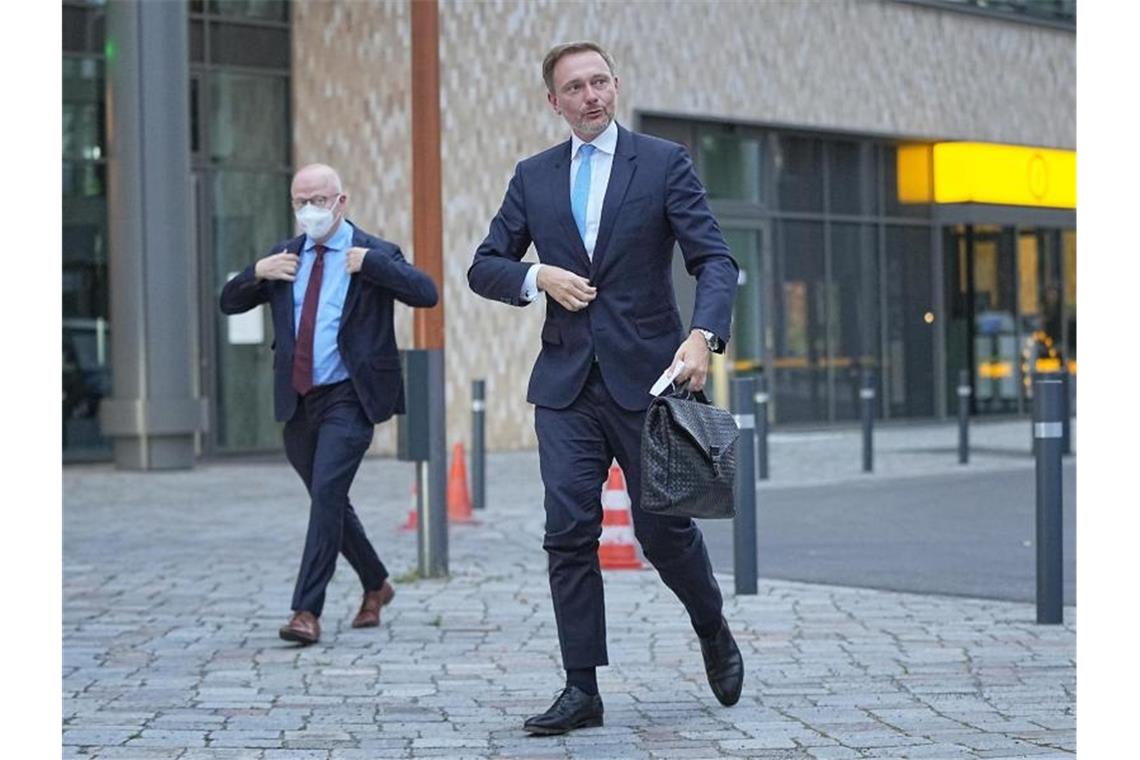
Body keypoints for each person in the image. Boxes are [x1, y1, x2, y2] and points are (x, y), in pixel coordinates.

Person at [467, 42, 744, 735]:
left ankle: (711, 625)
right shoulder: (533, 177)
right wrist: (538, 278)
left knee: (662, 532)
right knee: (568, 530)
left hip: (651, 381)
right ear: (552, 101)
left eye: (599, 82)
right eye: (574, 87)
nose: (590, 96)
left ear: (615, 86)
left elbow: (714, 260)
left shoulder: (662, 162)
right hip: (566, 385)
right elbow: (484, 265)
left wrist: (702, 337)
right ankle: (581, 686)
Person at [220, 163, 438, 646]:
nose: (309, 210)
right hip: (298, 399)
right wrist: (256, 272)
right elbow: (228, 303)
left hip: (351, 397)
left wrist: (375, 267)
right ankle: (376, 583)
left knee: (326, 497)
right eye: (301, 202)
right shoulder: (285, 255)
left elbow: (427, 293)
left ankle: (305, 610)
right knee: (328, 498)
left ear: (341, 202)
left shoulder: (374, 253)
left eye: (319, 200)